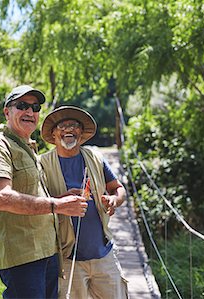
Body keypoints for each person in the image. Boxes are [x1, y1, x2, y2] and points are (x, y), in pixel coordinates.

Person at [0, 86, 88, 299]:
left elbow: (32, 192)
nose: (30, 112)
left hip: (48, 250)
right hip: (22, 257)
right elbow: (3, 198)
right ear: (7, 112)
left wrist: (60, 199)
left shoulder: (30, 148)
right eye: (22, 106)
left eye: (35, 107)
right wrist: (57, 206)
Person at [39, 106, 129, 299]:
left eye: (74, 125)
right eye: (62, 126)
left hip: (103, 254)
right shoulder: (42, 165)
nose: (68, 129)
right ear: (53, 134)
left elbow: (118, 189)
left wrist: (114, 200)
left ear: (81, 133)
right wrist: (60, 202)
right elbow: (37, 205)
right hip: (67, 258)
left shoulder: (95, 158)